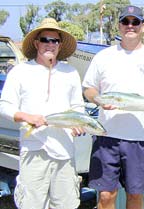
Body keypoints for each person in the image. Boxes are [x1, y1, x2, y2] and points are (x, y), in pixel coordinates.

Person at [82, 5, 144, 209]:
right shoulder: (103, 57)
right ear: (119, 25)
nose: (130, 26)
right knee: (105, 195)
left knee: (135, 195)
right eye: (125, 21)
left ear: (143, 26)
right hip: (105, 135)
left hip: (141, 137)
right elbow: (89, 89)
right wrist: (99, 100)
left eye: (135, 22)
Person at [0, 18, 84, 209]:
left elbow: (78, 107)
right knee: (31, 204)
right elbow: (4, 106)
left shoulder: (70, 73)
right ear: (36, 43)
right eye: (45, 39)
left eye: (55, 40)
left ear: (60, 45)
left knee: (66, 205)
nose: (50, 44)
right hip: (33, 150)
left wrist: (78, 124)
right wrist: (27, 117)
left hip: (64, 153)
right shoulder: (20, 71)